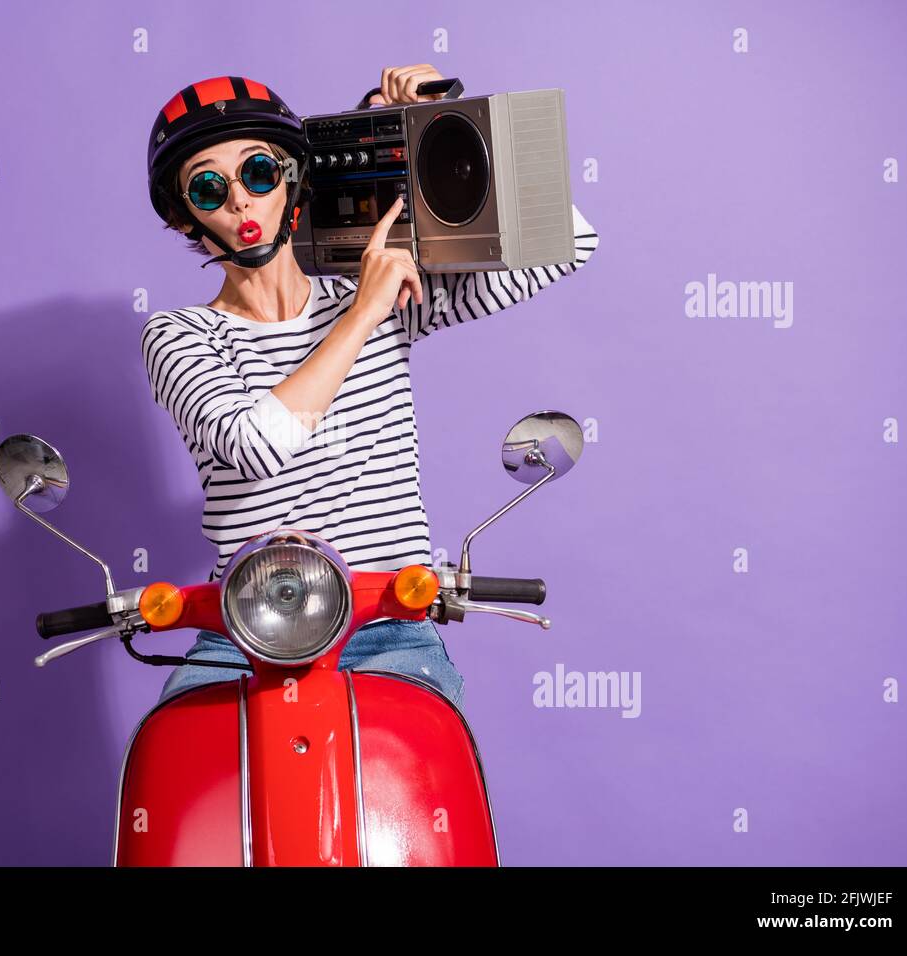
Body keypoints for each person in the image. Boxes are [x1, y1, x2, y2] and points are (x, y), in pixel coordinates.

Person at [142, 66, 599, 710]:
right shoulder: (181, 335)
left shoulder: (385, 297)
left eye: (259, 173)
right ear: (186, 218)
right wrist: (363, 313)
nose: (241, 201)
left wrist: (438, 138)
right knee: (176, 771)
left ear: (292, 183)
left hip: (386, 625)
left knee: (430, 781)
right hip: (242, 634)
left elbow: (570, 239)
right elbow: (255, 445)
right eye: (210, 187)